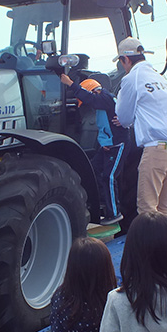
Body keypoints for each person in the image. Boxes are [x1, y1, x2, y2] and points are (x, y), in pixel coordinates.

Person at [114, 37, 167, 218]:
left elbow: (124, 117)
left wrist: (123, 121)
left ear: (126, 59)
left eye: (121, 62)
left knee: (147, 211)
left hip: (158, 148)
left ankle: (151, 247)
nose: (122, 66)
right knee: (163, 209)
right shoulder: (158, 76)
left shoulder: (132, 78)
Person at [60, 74, 128, 225]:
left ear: (93, 91)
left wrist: (71, 84)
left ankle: (114, 213)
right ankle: (103, 202)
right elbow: (105, 125)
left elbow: (91, 99)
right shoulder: (103, 102)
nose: (88, 105)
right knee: (93, 169)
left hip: (117, 145)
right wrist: (104, 141)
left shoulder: (105, 98)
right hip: (108, 144)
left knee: (109, 177)